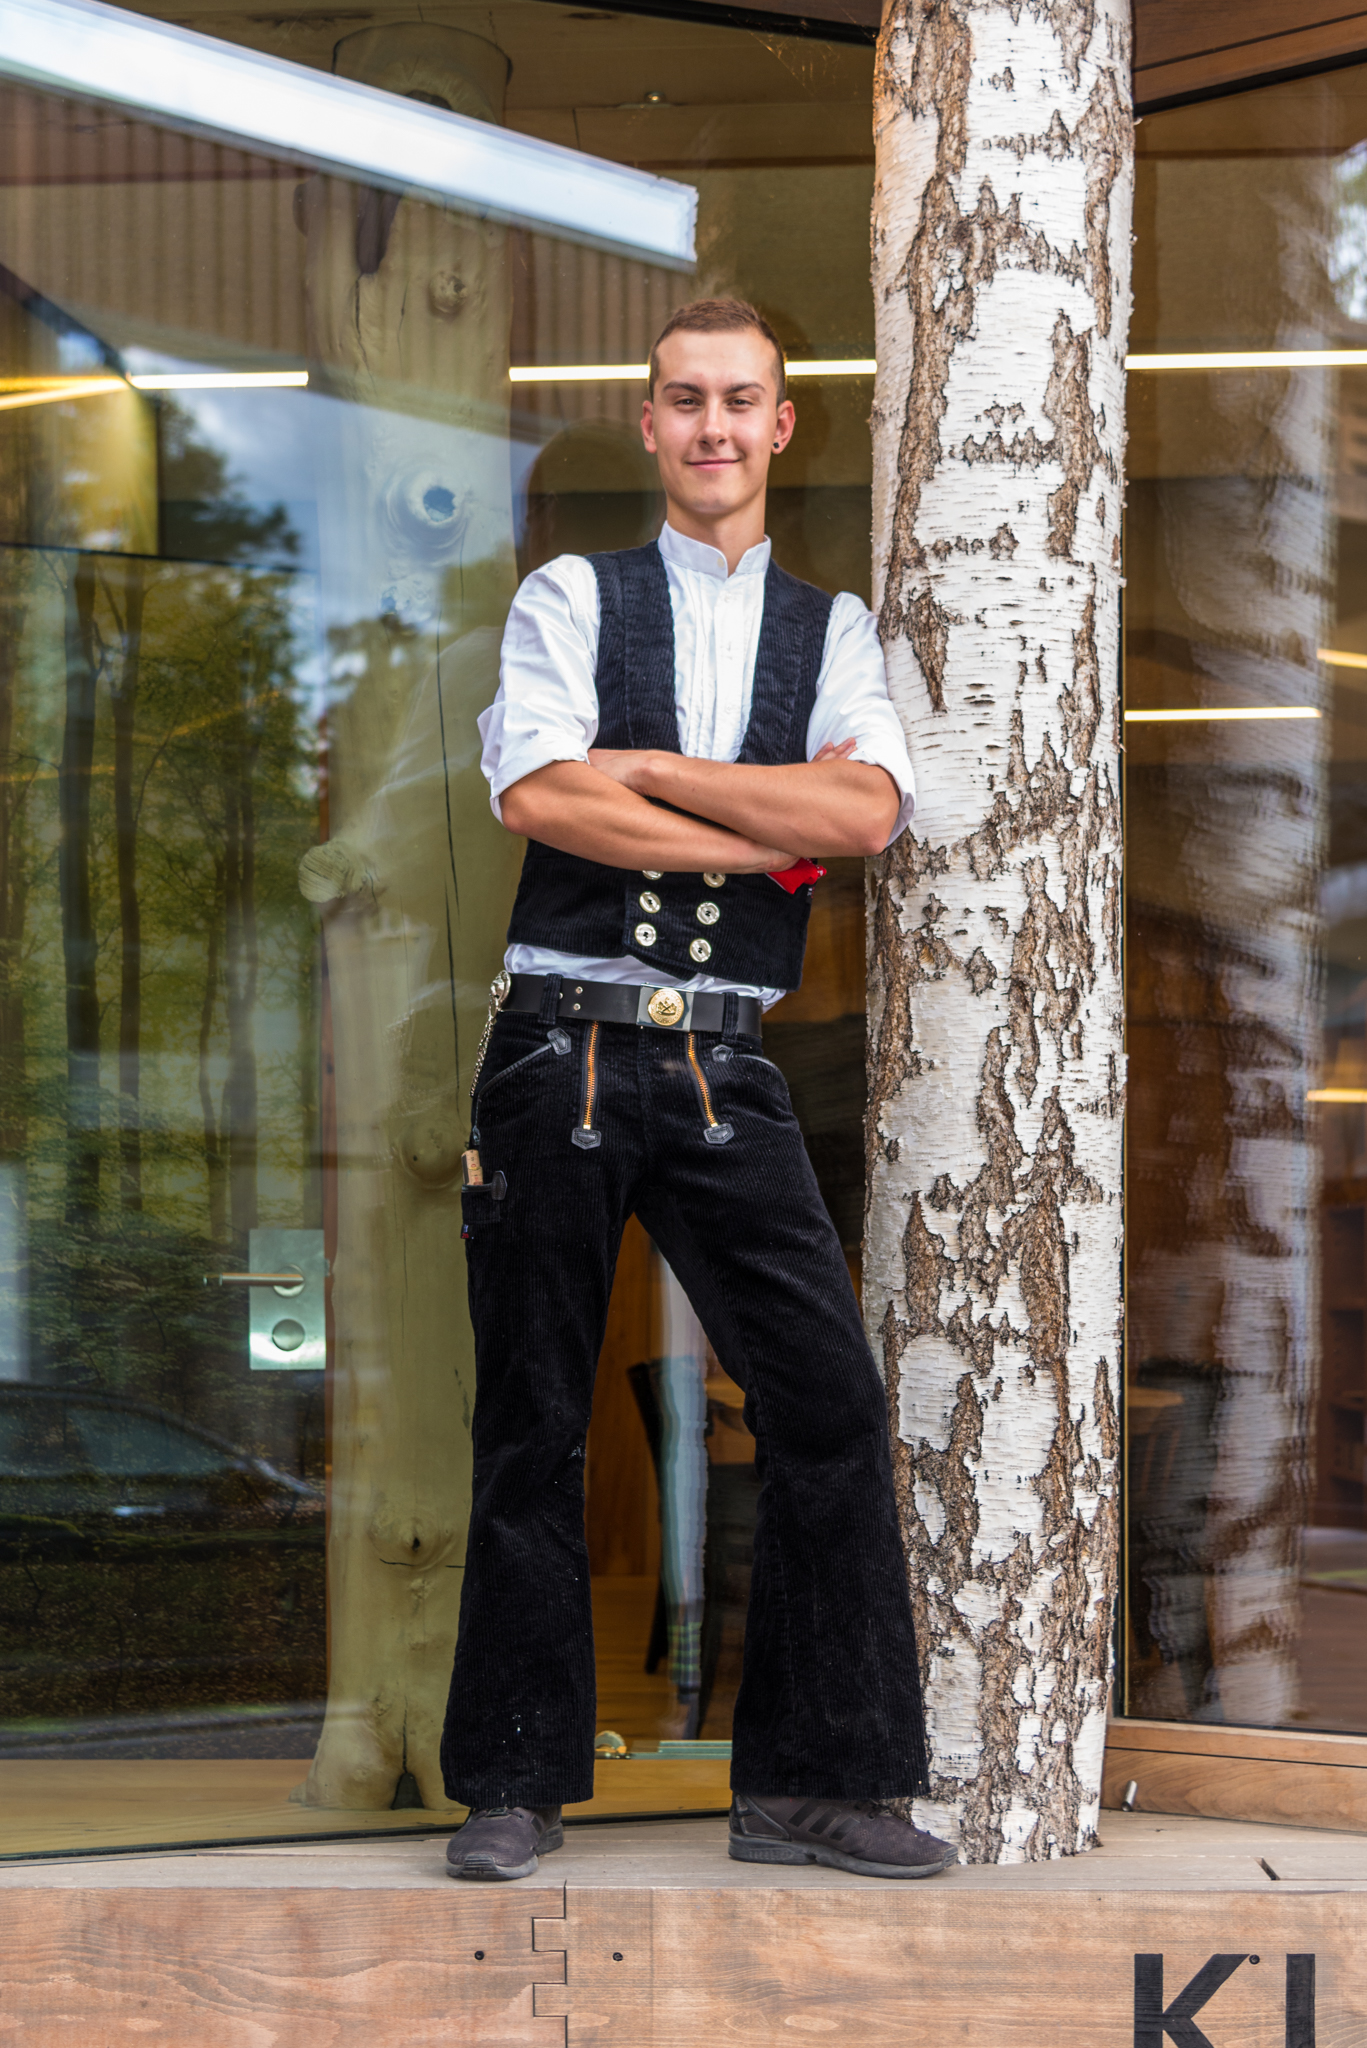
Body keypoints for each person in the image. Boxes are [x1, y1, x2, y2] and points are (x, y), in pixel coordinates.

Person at [442, 297, 953, 1884]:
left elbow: (862, 816)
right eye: (686, 400)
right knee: (533, 1417)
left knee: (827, 1405)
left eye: (741, 400)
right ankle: (513, 1782)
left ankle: (811, 1782)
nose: (714, 426)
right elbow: (543, 796)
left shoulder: (835, 628)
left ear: (781, 424)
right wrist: (756, 827)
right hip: (564, 1045)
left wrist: (652, 771)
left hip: (730, 1058)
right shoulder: (569, 596)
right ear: (652, 422)